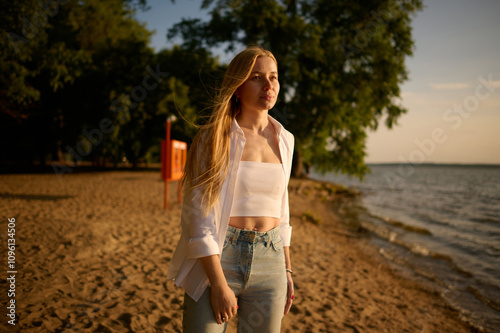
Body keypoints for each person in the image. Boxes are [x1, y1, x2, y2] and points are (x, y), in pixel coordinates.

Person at [167, 46, 295, 332]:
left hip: (271, 260)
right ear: (237, 86)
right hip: (218, 258)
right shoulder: (212, 139)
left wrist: (286, 270)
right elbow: (198, 218)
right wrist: (218, 284)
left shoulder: (286, 140)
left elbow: (282, 209)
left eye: (273, 77)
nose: (268, 85)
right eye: (257, 77)